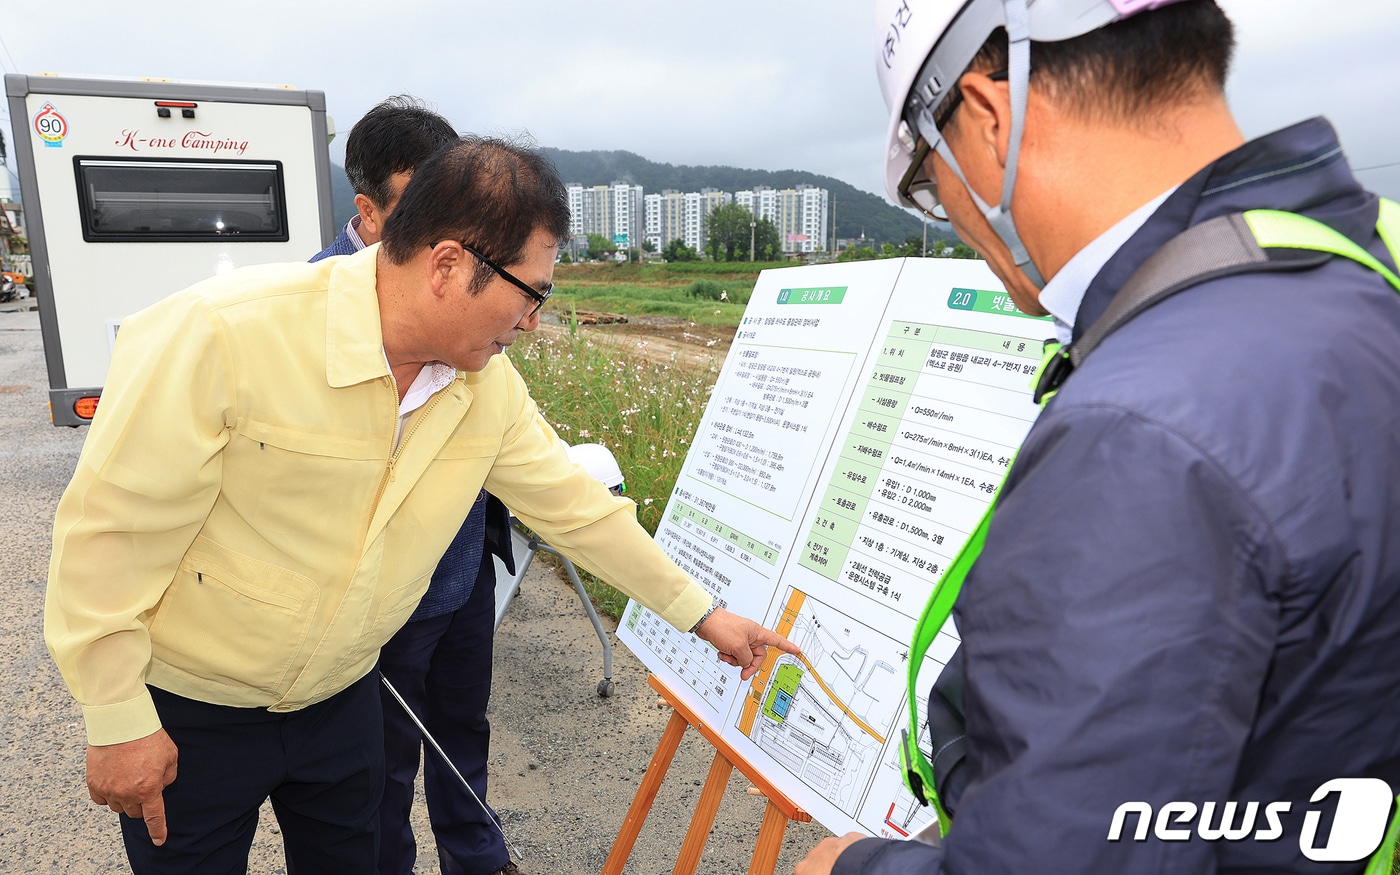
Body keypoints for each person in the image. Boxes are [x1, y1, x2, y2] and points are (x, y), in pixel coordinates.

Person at [46, 135, 798, 875]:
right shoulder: (223, 334)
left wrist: (702, 614)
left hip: (345, 696)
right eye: (531, 294)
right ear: (448, 264)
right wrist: (116, 717)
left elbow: (576, 506)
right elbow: (110, 534)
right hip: (193, 709)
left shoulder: (484, 388)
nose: (534, 322)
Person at [798, 1, 1400, 872]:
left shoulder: (1140, 435)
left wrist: (850, 868)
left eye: (930, 183)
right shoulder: (1359, 259)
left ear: (989, 117)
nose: (954, 222)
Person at [314, 96, 521, 875]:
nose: (451, 242)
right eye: (422, 212)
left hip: (463, 564)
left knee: (464, 725)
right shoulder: (316, 307)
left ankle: (475, 855)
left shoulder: (465, 282)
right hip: (379, 593)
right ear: (368, 215)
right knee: (383, 761)